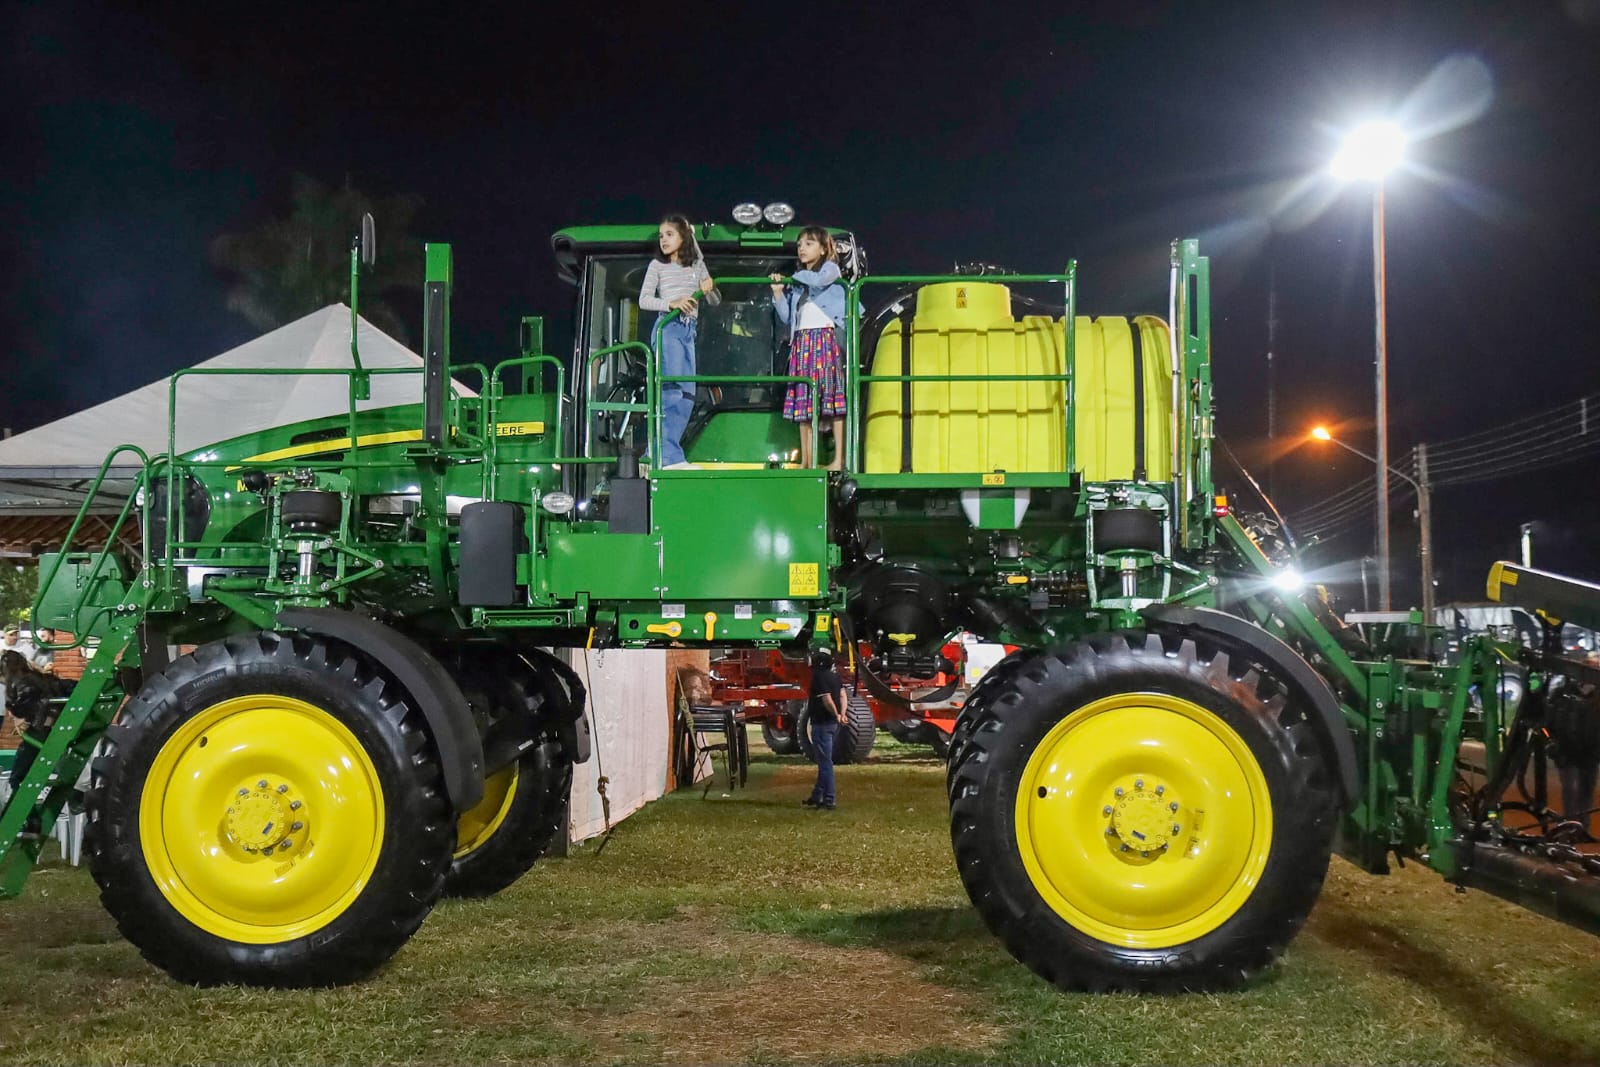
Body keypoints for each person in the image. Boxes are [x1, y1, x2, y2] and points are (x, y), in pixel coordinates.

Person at [639, 215, 719, 469]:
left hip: (688, 331)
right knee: (671, 390)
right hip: (668, 326)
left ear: (683, 237)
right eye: (661, 235)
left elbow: (715, 300)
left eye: (669, 234)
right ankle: (666, 456)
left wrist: (709, 287)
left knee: (687, 394)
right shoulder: (657, 266)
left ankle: (666, 452)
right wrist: (671, 303)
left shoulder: (696, 266)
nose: (663, 239)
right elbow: (644, 299)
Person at [771, 227, 849, 471]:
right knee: (803, 403)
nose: (802, 248)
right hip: (802, 342)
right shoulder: (798, 284)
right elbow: (787, 317)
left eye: (809, 243)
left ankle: (838, 459)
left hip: (824, 339)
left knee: (833, 399)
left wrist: (794, 276)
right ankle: (807, 460)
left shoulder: (829, 270)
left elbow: (821, 280)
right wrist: (778, 294)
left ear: (823, 248)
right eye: (800, 245)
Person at [802, 648, 849, 810]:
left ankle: (829, 799)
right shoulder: (835, 677)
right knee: (825, 760)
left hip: (821, 723)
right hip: (833, 725)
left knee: (825, 763)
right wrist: (842, 714)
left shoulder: (818, 677)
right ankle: (816, 796)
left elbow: (827, 699)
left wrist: (836, 713)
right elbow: (843, 695)